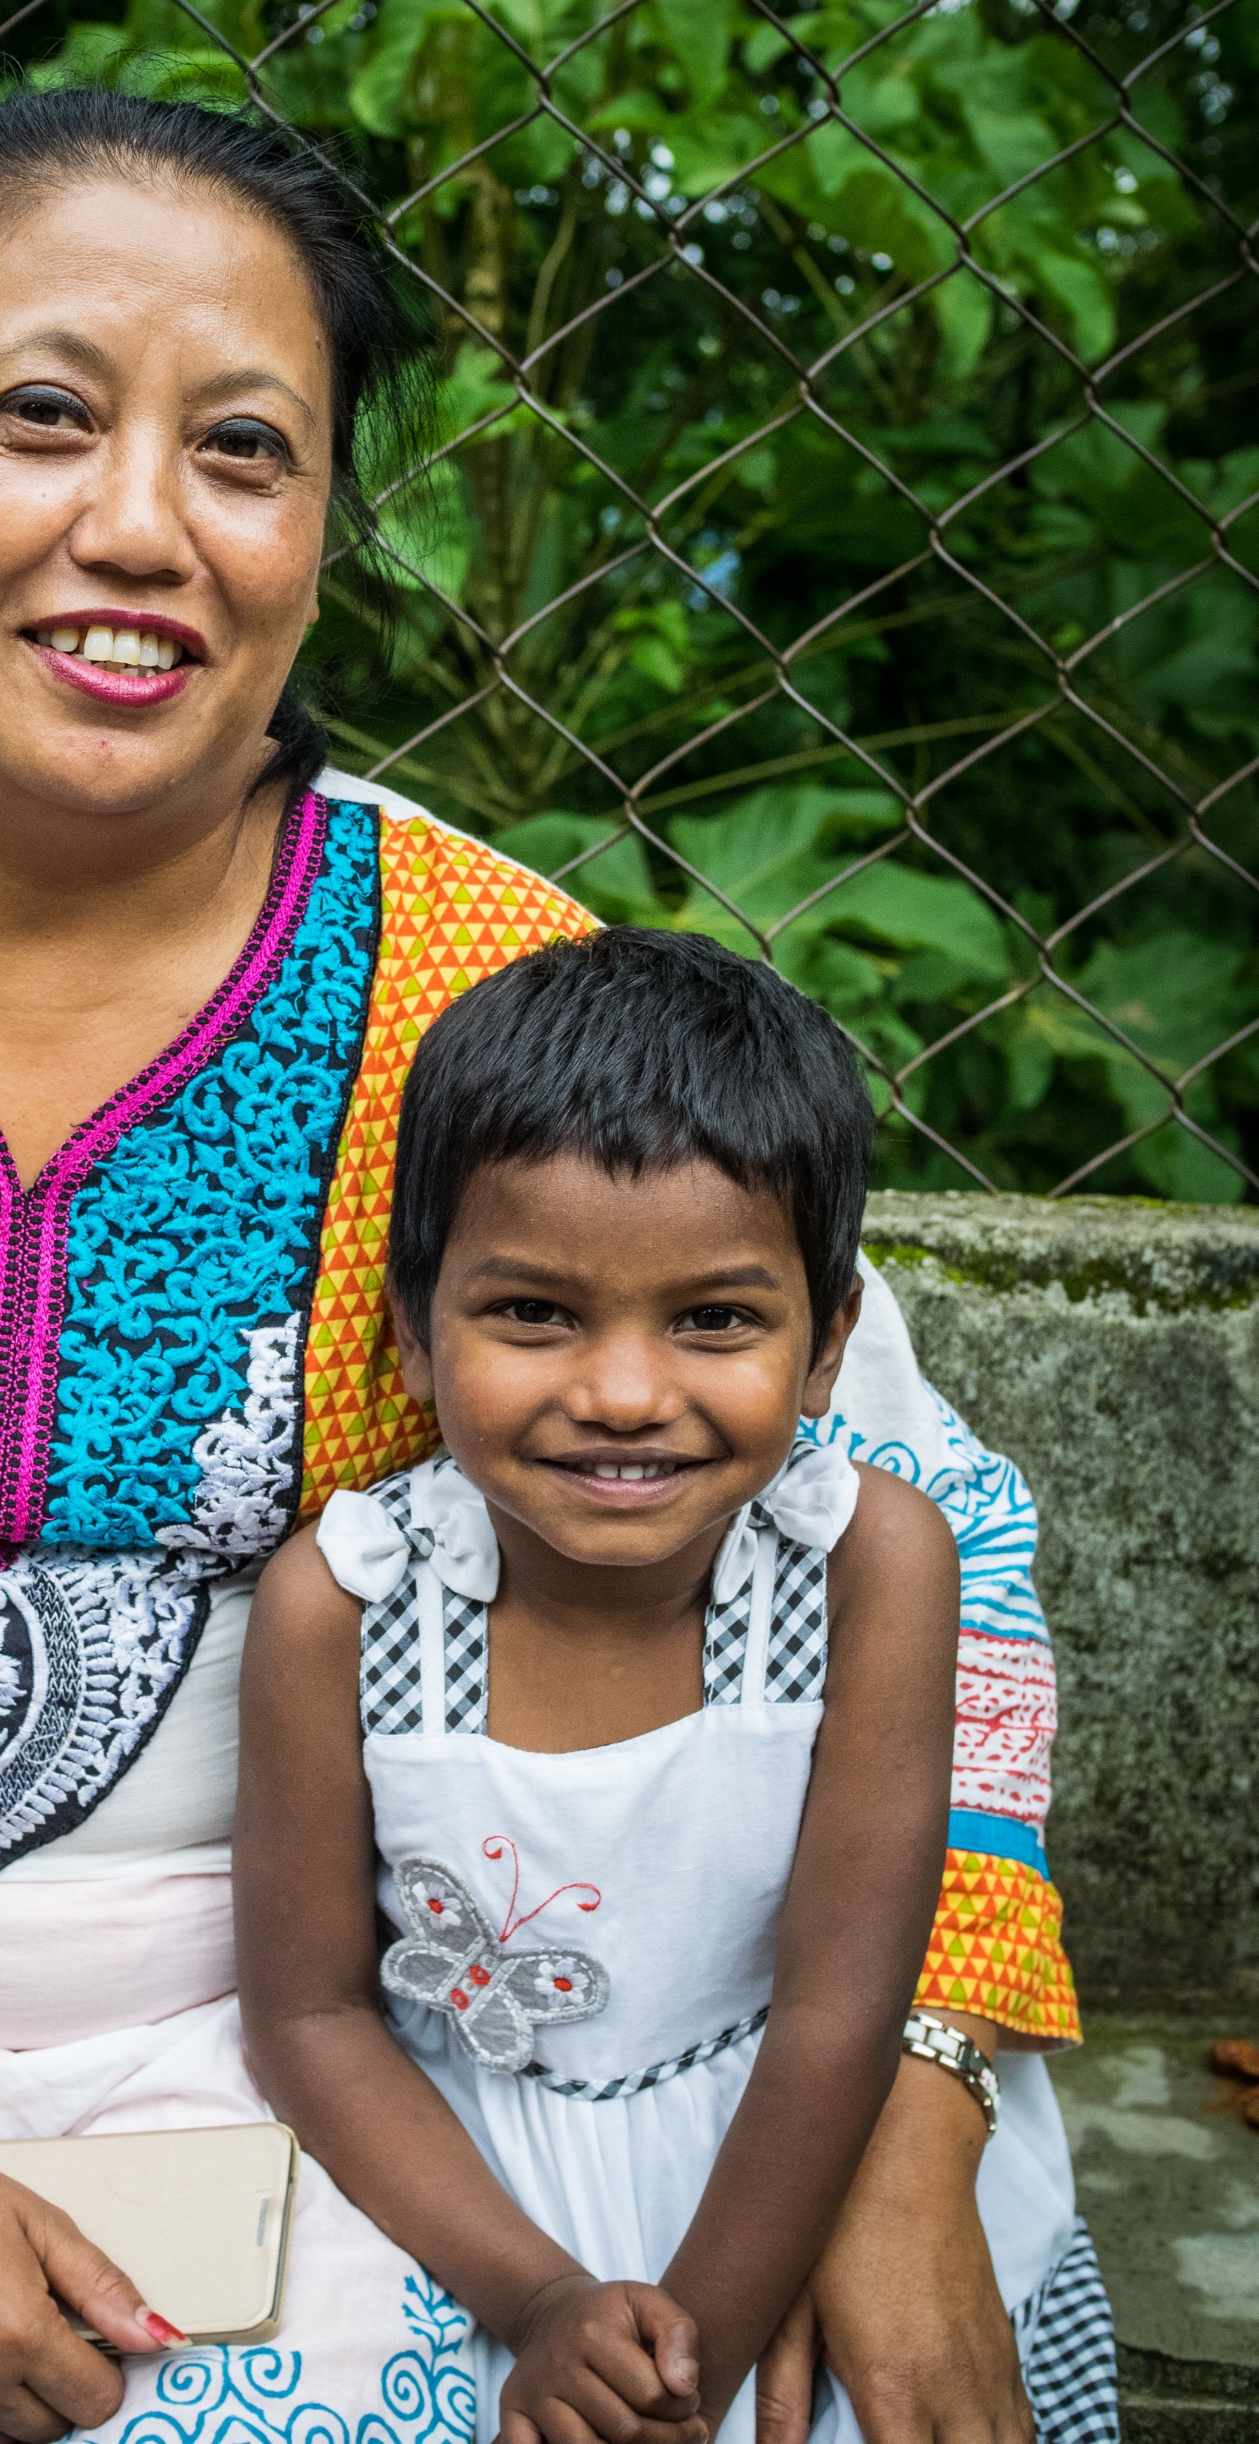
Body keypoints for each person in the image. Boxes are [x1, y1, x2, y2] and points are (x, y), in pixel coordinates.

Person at [0, 87, 1088, 2444]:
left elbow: (942, 1554)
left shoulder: (476, 977)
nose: (136, 528)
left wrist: (910, 2132)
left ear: (313, 539)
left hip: (329, 2066)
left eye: (244, 452)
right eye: (42, 416)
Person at [237, 928, 1112, 2444]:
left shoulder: (869, 1569)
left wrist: (684, 2358)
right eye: (532, 1315)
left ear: (830, 1341)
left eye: (715, 1320)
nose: (625, 1394)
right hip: (463, 2190)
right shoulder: (343, 1605)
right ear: (412, 1333)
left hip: (791, 2143)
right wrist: (539, 2305)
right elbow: (310, 2017)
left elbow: (846, 2002)